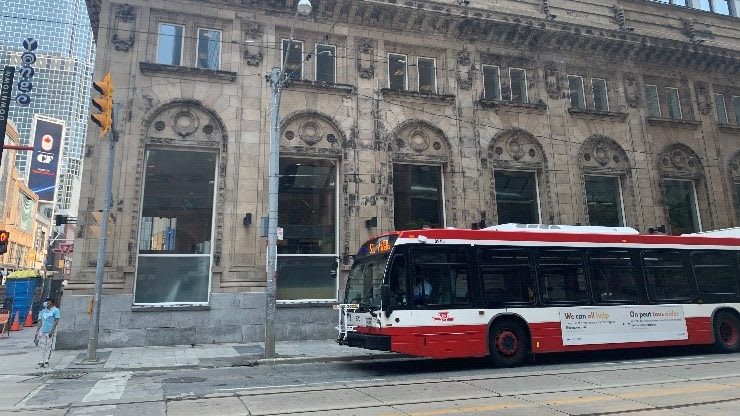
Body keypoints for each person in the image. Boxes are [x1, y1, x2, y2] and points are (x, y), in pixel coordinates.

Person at [35, 298, 60, 368]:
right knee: (42, 346)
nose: (46, 303)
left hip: (50, 331)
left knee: (49, 346)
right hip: (42, 331)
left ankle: (46, 360)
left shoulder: (56, 310)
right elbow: (40, 322)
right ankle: (41, 361)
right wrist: (37, 331)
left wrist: (51, 331)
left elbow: (56, 321)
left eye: (47, 302)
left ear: (51, 303)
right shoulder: (43, 311)